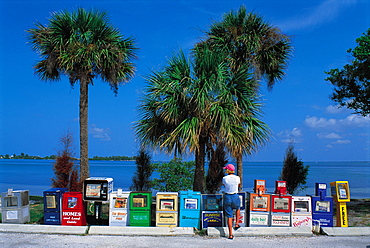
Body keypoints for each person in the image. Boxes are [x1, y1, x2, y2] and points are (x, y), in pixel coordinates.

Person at [222, 163, 241, 239]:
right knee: (238, 208)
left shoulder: (224, 178)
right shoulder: (237, 178)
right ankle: (237, 223)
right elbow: (238, 185)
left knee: (229, 216)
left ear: (227, 170)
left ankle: (230, 234)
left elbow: (225, 186)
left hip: (227, 196)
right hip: (235, 195)